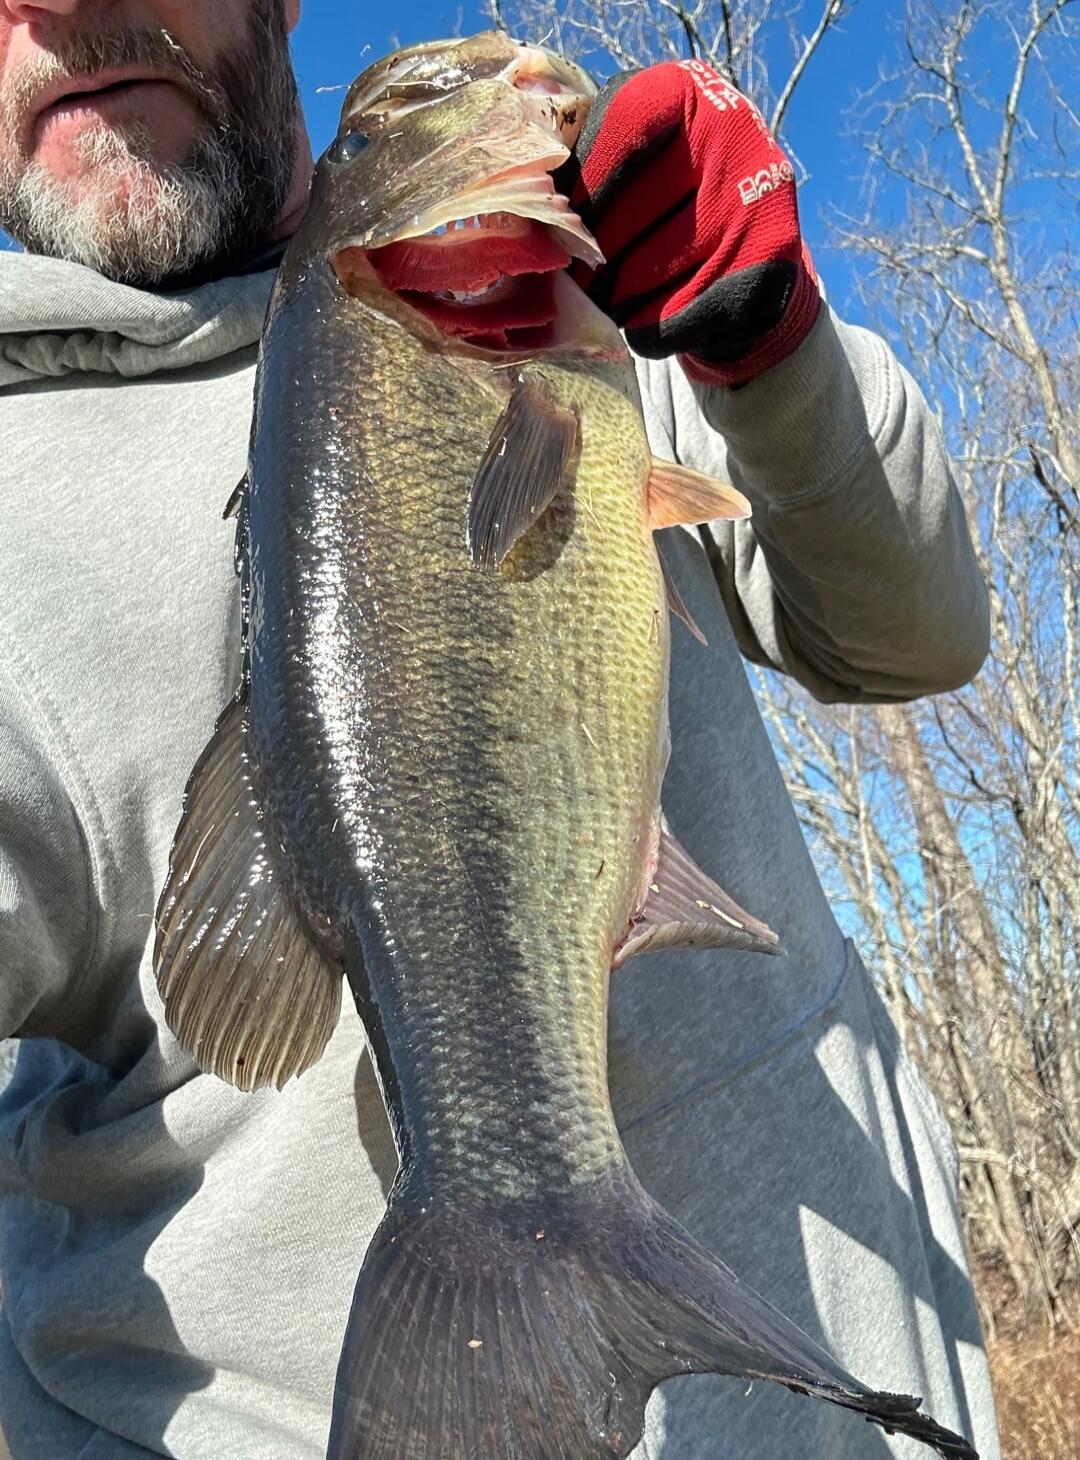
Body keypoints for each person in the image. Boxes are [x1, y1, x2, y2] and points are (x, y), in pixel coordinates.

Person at [0, 2, 1000, 1458]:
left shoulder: (588, 314)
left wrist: (764, 346)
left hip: (859, 1401)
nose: (66, 5)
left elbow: (917, 635)